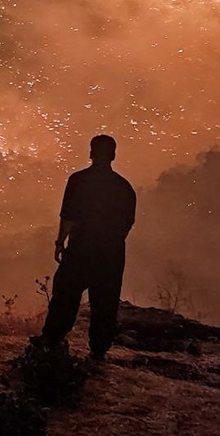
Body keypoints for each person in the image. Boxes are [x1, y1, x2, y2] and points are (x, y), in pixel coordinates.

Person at [34, 134, 136, 360]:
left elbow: (68, 216)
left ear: (91, 153)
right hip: (111, 252)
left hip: (81, 248)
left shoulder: (78, 181)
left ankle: (52, 338)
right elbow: (127, 224)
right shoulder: (124, 187)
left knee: (66, 295)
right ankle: (99, 348)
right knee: (105, 301)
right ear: (113, 155)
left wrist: (60, 242)